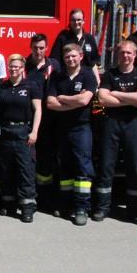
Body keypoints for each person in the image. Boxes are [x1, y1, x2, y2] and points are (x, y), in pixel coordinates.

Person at [94, 40, 137, 224]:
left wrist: (116, 94)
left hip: (134, 124)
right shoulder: (110, 74)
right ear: (117, 55)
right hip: (112, 123)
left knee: (134, 166)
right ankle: (102, 208)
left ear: (135, 55)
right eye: (122, 53)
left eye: (128, 53)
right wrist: (130, 99)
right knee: (106, 165)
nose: (125, 56)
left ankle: (135, 211)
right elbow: (102, 99)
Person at [46, 44, 98, 226]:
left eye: (74, 56)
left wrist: (63, 98)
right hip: (62, 128)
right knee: (64, 167)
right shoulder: (57, 76)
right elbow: (50, 103)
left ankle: (81, 208)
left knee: (83, 168)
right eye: (67, 56)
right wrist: (75, 100)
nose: (70, 59)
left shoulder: (88, 75)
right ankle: (66, 204)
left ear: (81, 56)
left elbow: (85, 100)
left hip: (81, 128)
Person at [0, 54, 42, 222]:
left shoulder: (31, 86)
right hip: (5, 132)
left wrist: (34, 132)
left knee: (25, 171)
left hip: (23, 133)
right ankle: (8, 203)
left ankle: (27, 207)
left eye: (17, 67)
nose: (14, 70)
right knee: (6, 171)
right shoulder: (1, 87)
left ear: (22, 69)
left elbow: (38, 110)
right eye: (11, 67)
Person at [25, 33, 61, 211]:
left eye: (41, 48)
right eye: (35, 48)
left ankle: (46, 201)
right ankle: (29, 197)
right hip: (28, 120)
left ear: (46, 49)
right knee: (28, 161)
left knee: (47, 162)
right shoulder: (25, 66)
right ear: (30, 47)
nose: (38, 51)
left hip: (49, 120)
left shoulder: (54, 66)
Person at [50, 9, 101, 73]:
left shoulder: (89, 38)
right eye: (73, 20)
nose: (76, 22)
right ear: (70, 21)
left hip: (85, 77)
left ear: (83, 21)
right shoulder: (63, 37)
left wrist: (97, 79)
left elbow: (93, 62)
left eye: (79, 20)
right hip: (67, 76)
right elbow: (55, 59)